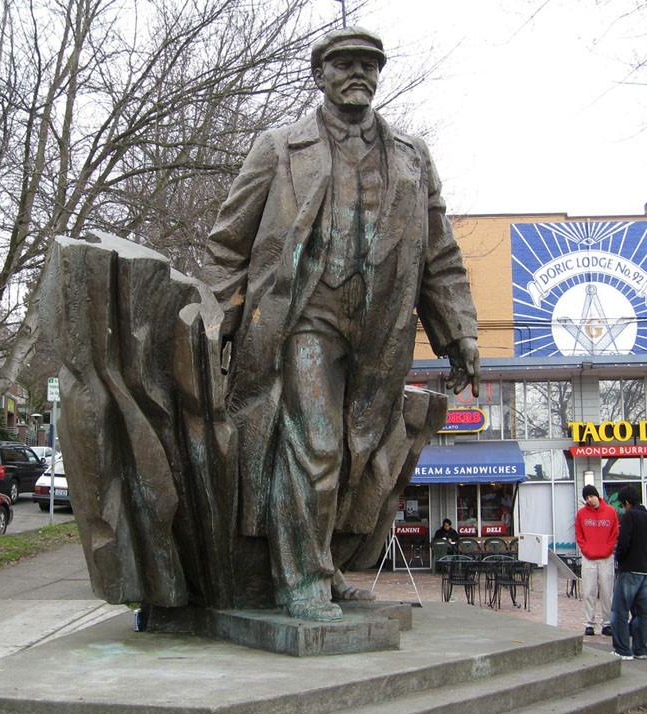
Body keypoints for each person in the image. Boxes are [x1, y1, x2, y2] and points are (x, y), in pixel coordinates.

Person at [202, 27, 479, 621]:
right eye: (345, 64)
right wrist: (221, 314)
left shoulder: (412, 154)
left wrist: (459, 332)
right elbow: (229, 241)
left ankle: (323, 565)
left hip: (381, 326)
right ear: (320, 74)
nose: (359, 74)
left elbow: (439, 253)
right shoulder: (280, 147)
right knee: (315, 443)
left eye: (369, 65)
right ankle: (298, 578)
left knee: (359, 451)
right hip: (307, 315)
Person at [610, 485, 647, 660]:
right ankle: (640, 649)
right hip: (646, 571)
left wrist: (620, 559)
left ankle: (622, 649)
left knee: (620, 610)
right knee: (642, 612)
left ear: (626, 502)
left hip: (630, 569)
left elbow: (623, 542)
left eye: (623, 504)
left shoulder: (629, 516)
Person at [574, 483, 618, 637]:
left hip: (606, 558)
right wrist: (585, 550)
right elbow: (579, 534)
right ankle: (589, 624)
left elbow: (614, 533)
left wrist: (608, 549)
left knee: (607, 592)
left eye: (591, 496)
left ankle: (607, 623)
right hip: (589, 558)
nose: (589, 500)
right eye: (586, 498)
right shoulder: (581, 514)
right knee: (589, 591)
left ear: (597, 495)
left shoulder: (611, 512)